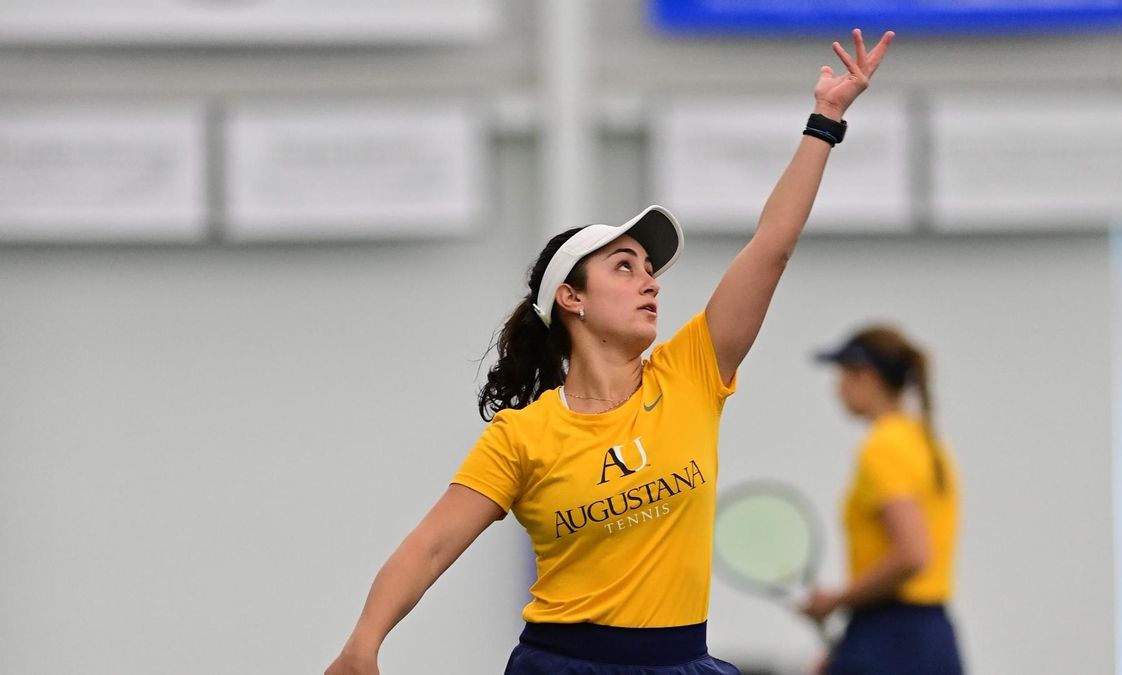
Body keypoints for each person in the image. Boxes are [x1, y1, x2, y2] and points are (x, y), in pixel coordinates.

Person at [325, 28, 895, 675]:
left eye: (651, 268)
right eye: (625, 266)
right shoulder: (522, 436)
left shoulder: (692, 372)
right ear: (572, 297)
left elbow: (772, 245)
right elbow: (428, 547)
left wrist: (824, 121)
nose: (650, 279)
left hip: (683, 661)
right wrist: (362, 644)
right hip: (563, 663)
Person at [802, 326, 964, 675]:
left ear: (866, 374)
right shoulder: (925, 441)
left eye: (843, 374)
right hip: (931, 638)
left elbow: (912, 555)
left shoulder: (883, 448)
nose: (838, 387)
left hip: (893, 637)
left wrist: (836, 601)